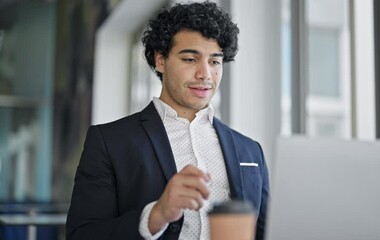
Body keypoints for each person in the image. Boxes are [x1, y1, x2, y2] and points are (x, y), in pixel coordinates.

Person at [66, 1, 269, 240]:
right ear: (160, 60)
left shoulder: (250, 151)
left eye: (214, 61)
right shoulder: (109, 142)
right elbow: (83, 235)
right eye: (190, 59)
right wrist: (157, 214)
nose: (205, 74)